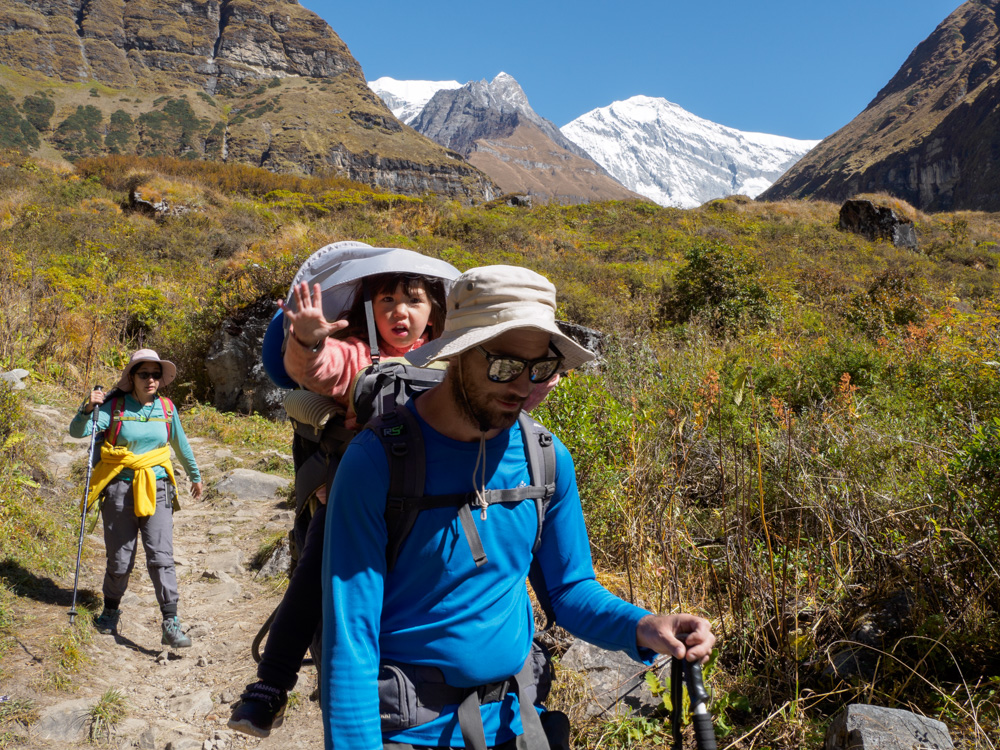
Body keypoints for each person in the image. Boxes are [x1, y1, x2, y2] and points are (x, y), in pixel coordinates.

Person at [320, 265, 716, 750]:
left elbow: (570, 590)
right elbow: (351, 638)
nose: (523, 387)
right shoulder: (376, 462)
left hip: (517, 720)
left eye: (540, 368)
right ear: (458, 350)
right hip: (408, 731)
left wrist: (644, 627)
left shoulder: (545, 457)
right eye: (504, 366)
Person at [229, 271, 451, 737]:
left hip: (439, 500)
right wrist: (307, 342)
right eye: (385, 299)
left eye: (413, 300)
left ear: (434, 312)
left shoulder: (454, 358)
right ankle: (271, 684)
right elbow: (317, 370)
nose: (398, 310)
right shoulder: (358, 356)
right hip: (363, 495)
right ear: (369, 310)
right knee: (316, 569)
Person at [69, 349, 203, 648]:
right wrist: (87, 408)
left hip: (158, 489)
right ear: (132, 377)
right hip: (119, 490)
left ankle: (171, 621)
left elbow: (180, 444)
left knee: (161, 557)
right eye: (144, 374)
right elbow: (77, 432)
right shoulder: (113, 407)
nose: (151, 380)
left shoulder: (166, 408)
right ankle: (111, 610)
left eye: (156, 375)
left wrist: (194, 475)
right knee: (120, 561)